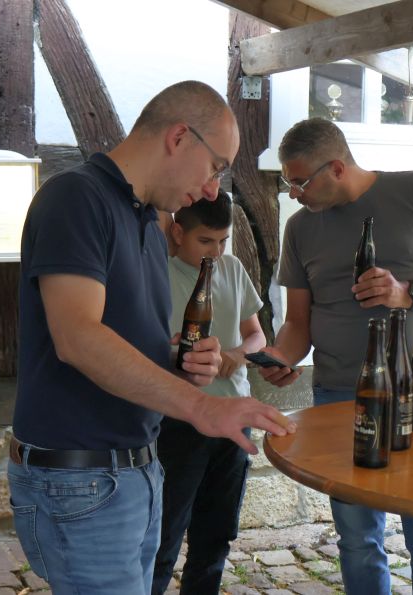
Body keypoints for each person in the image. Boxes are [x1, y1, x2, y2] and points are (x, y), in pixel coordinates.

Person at [8, 81, 293, 595]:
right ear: (179, 137)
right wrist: (201, 406)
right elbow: (77, 337)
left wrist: (179, 359)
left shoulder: (145, 222)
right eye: (216, 167)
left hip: (139, 469)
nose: (213, 190)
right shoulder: (76, 197)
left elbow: (125, 342)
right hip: (82, 477)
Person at [259, 118, 413, 595]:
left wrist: (408, 292)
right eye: (288, 182)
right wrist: (280, 355)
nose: (293, 193)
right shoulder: (299, 228)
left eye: (300, 182)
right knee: (357, 536)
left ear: (336, 168)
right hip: (339, 393)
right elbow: (298, 322)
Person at [151, 191, 265, 594]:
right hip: (179, 420)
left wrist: (237, 354)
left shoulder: (232, 268)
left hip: (233, 418)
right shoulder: (159, 273)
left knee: (216, 535)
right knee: (164, 535)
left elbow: (257, 335)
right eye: (205, 241)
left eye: (223, 241)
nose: (215, 251)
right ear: (178, 233)